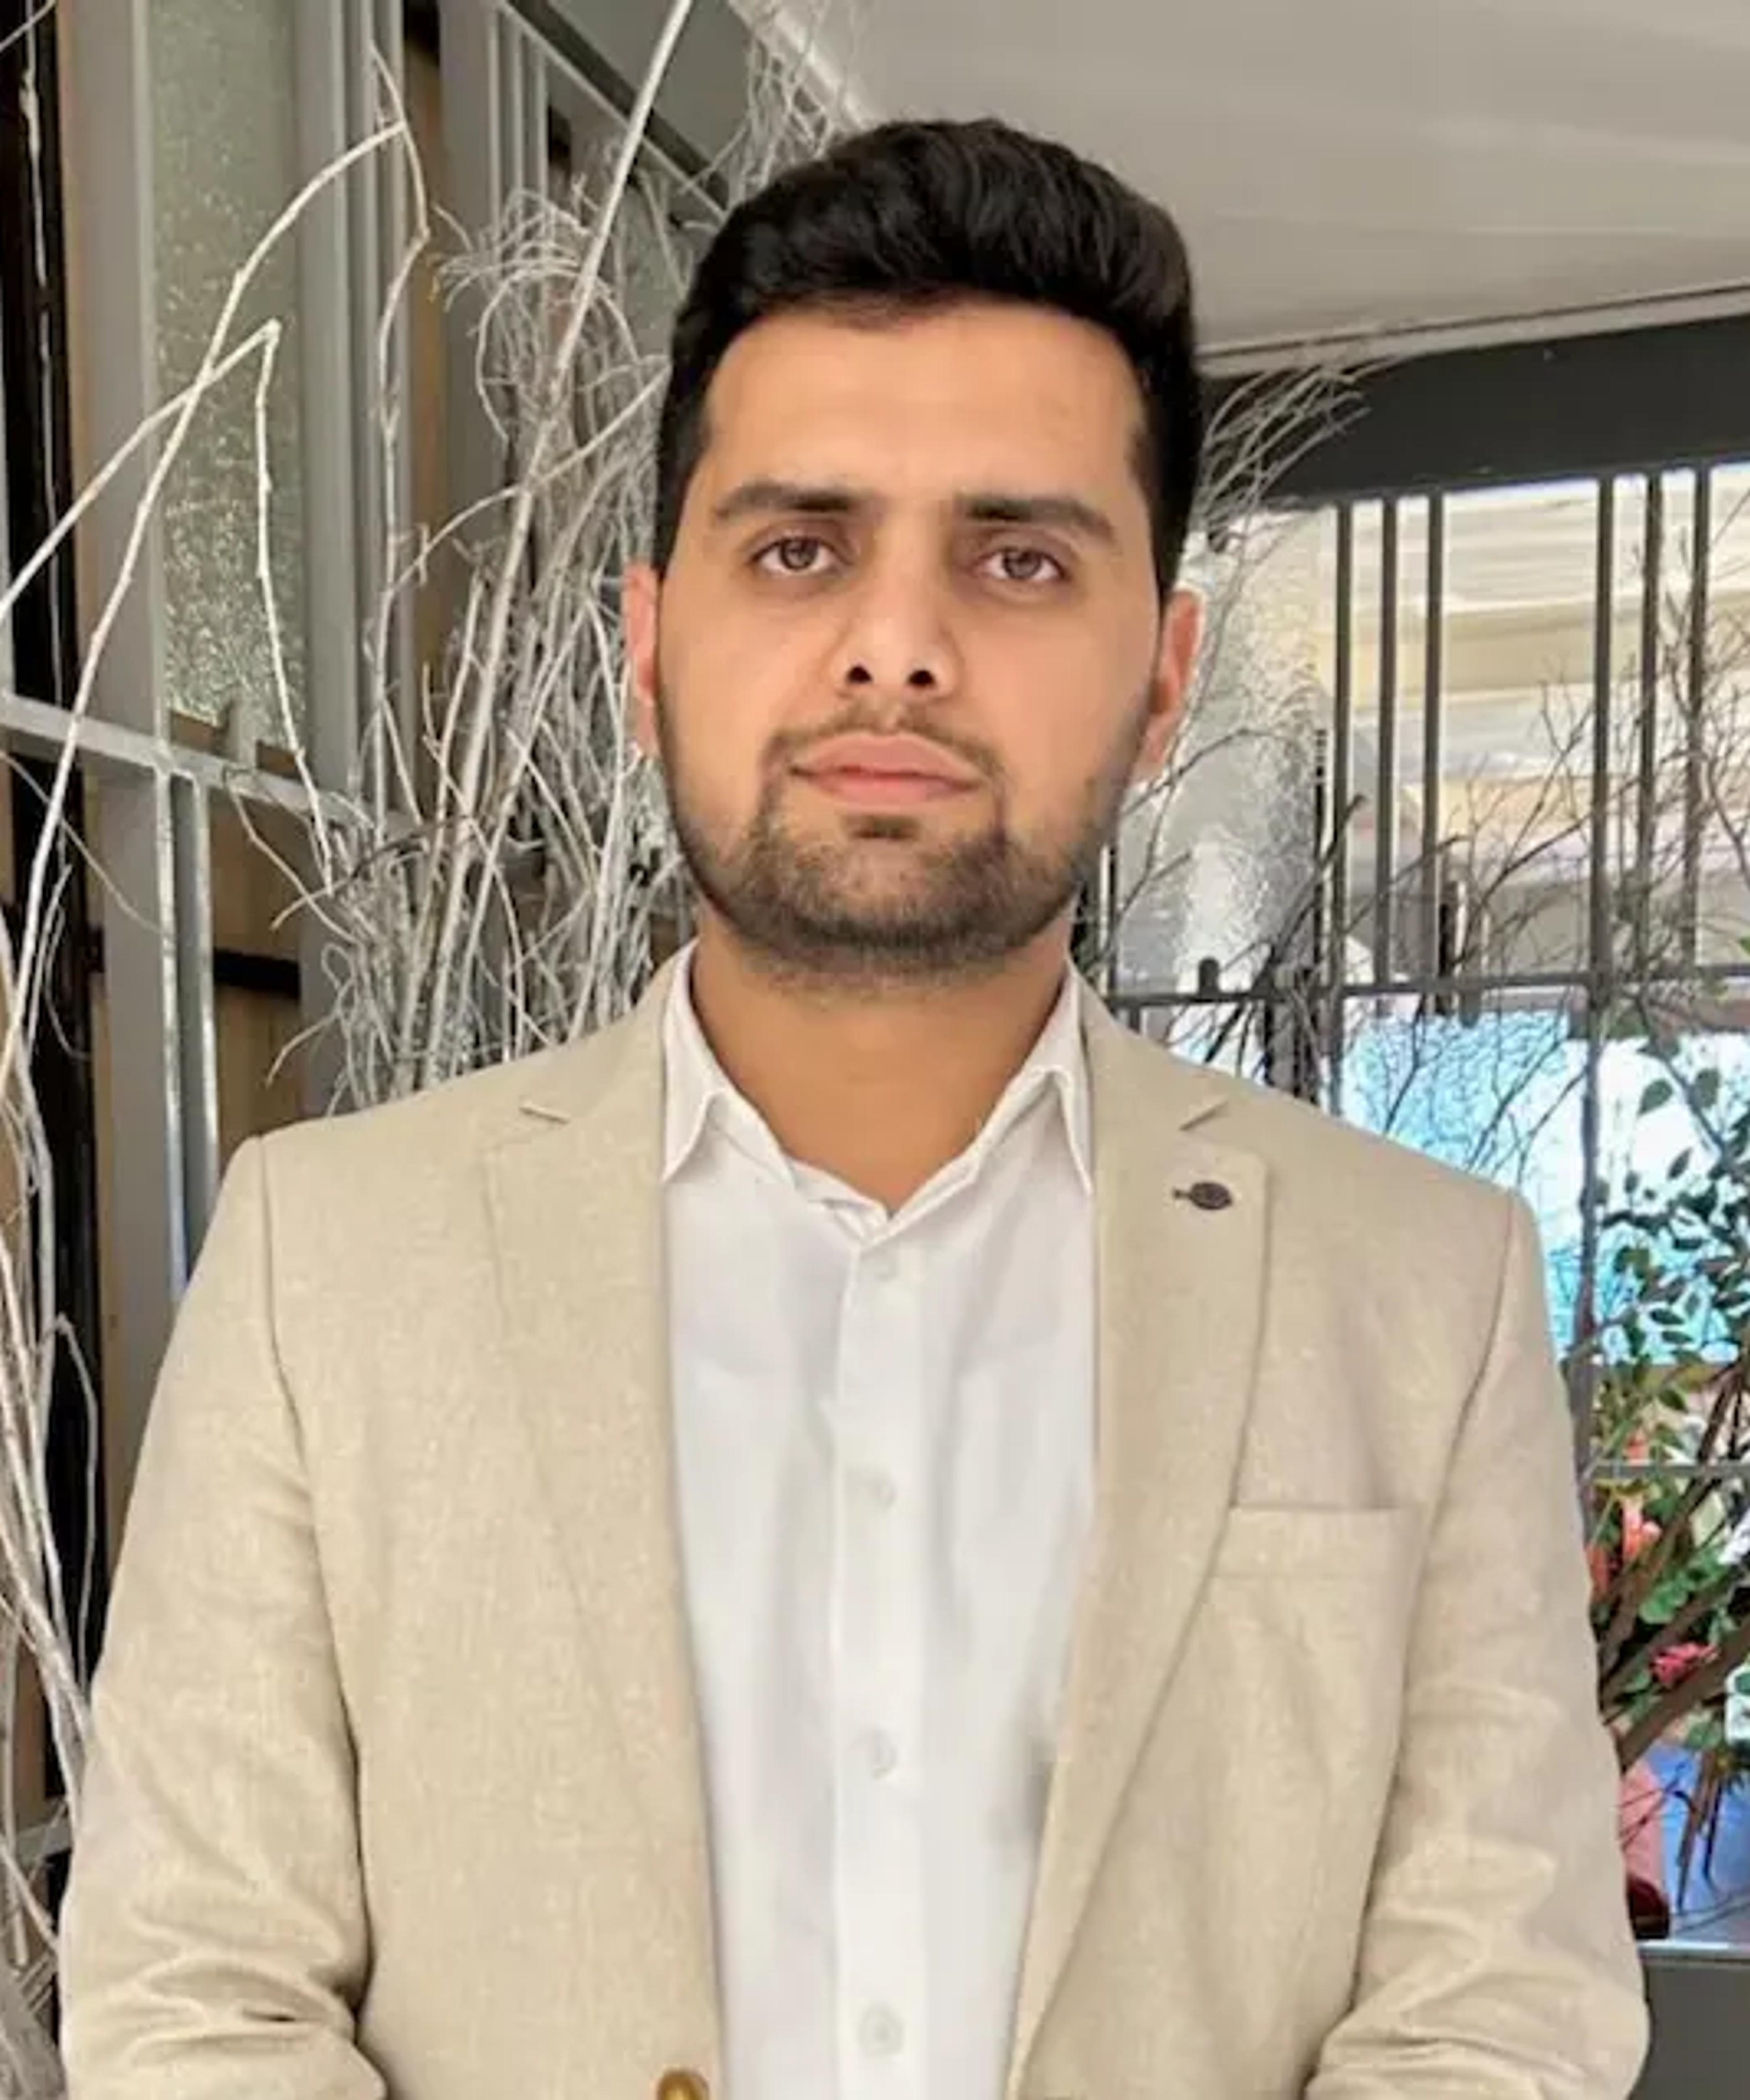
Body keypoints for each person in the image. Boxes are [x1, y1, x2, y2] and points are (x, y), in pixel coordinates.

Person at [60, 117, 1649, 2100]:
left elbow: (1504, 2002)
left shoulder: (1426, 1290)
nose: (898, 645)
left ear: (1163, 677)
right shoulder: (326, 1261)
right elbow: (194, 1994)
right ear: (649, 646)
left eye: (1018, 557)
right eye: (799, 547)